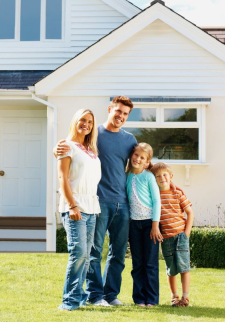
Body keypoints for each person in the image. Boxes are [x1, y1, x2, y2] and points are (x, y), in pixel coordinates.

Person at [56, 96, 137, 306]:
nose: (120, 116)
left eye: (125, 113)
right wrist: (58, 149)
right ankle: (94, 295)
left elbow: (140, 164)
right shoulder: (93, 134)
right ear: (110, 109)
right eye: (118, 111)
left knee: (118, 254)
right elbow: (69, 150)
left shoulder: (129, 140)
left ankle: (110, 296)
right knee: (92, 253)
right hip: (98, 203)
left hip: (122, 202)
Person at [58, 109, 101, 311]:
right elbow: (63, 178)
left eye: (90, 122)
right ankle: (69, 301)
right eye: (82, 120)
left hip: (91, 207)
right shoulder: (66, 146)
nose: (86, 124)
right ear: (75, 121)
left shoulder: (89, 150)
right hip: (75, 207)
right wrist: (72, 205)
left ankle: (80, 297)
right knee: (79, 254)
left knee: (85, 257)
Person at [151, 162, 194, 307]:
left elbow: (190, 213)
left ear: (171, 176)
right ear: (154, 179)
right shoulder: (154, 195)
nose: (162, 178)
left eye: (165, 175)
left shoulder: (177, 193)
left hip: (180, 236)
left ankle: (185, 297)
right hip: (166, 239)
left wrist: (186, 234)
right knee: (171, 269)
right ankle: (174, 296)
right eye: (158, 176)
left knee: (184, 267)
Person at [126, 143, 161, 307]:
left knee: (150, 264)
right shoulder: (127, 176)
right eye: (136, 155)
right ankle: (139, 298)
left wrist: (155, 225)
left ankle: (152, 299)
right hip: (134, 225)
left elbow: (156, 201)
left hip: (149, 225)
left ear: (147, 162)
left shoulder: (148, 176)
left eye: (142, 157)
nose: (137, 159)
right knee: (137, 263)